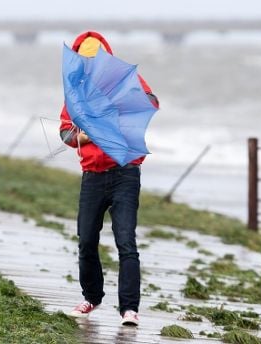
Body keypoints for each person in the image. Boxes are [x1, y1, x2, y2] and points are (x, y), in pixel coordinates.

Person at [59, 31, 159, 326]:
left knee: (126, 241)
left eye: (96, 60)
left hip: (126, 172)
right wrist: (86, 134)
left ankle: (129, 309)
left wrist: (121, 104)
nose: (91, 65)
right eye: (86, 60)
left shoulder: (124, 81)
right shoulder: (75, 91)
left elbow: (151, 101)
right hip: (92, 176)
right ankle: (92, 297)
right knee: (86, 240)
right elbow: (65, 133)